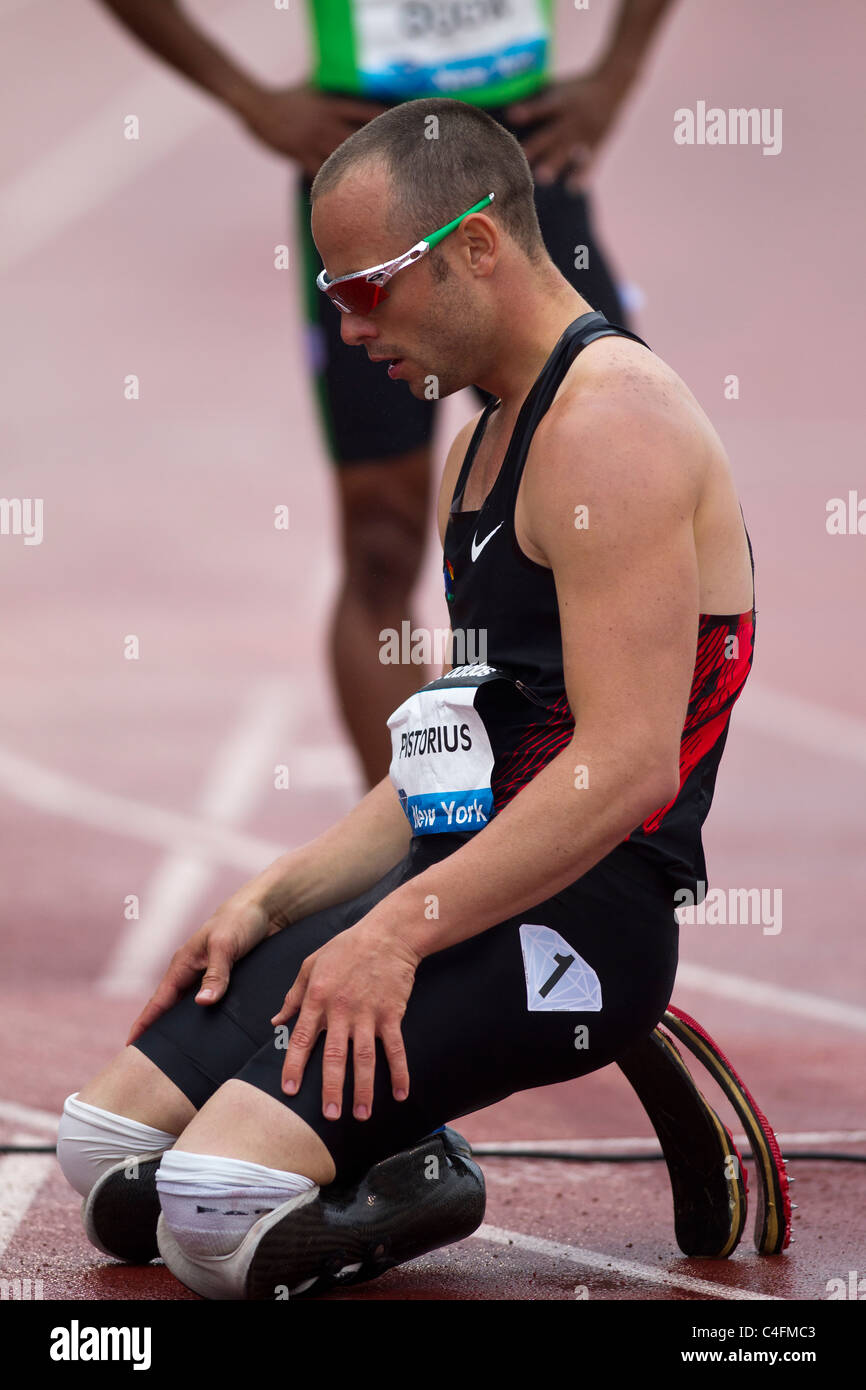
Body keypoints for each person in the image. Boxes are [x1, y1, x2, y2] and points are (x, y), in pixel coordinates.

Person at [56, 97, 756, 1300]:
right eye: (330, 294)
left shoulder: (611, 428)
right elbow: (452, 757)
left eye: (367, 287)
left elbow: (630, 764)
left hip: (579, 908)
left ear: (477, 245)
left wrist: (389, 934)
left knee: (214, 1217)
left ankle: (425, 1155)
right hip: (456, 877)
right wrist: (270, 899)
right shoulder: (482, 447)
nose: (346, 324)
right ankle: (384, 1120)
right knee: (109, 1163)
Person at [95, 0, 678, 784]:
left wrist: (618, 75)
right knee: (380, 540)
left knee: (617, 487)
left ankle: (607, 808)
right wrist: (249, 100)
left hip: (522, 150)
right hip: (363, 158)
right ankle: (408, 849)